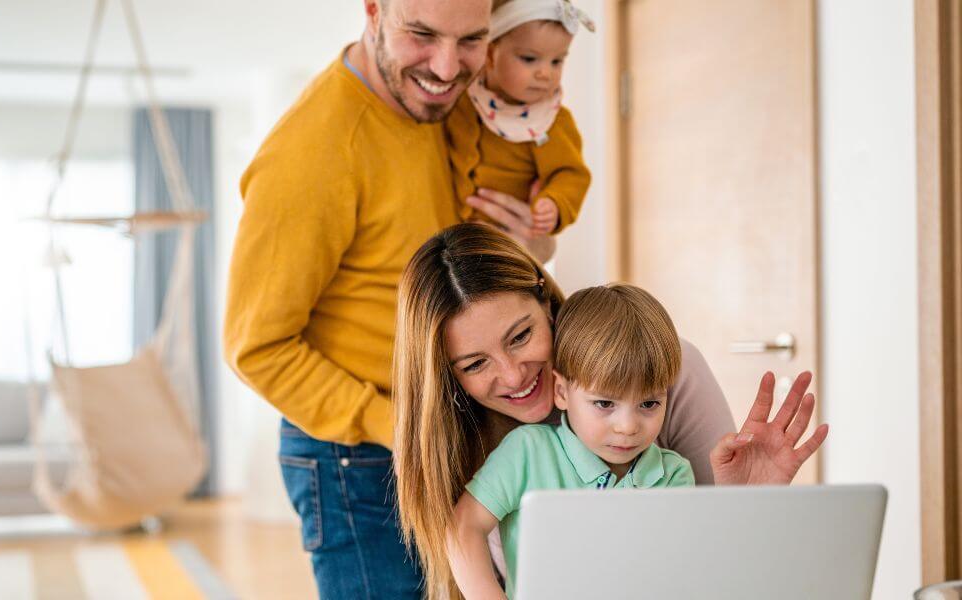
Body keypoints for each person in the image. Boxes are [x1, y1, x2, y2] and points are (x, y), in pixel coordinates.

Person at [223, 0, 557, 596]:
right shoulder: (312, 153)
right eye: (422, 35)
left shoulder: (453, 108)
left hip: (450, 426)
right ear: (374, 12)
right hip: (362, 455)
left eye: (471, 40)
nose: (448, 66)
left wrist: (534, 246)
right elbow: (256, 347)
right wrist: (401, 425)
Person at [392, 223, 829, 599]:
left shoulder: (669, 437)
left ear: (546, 304)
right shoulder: (514, 448)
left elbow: (713, 566)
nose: (511, 376)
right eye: (475, 363)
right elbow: (462, 530)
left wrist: (745, 503)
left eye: (521, 336)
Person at [448, 283, 695, 598]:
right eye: (605, 404)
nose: (628, 426)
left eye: (649, 404)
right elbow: (463, 527)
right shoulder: (527, 451)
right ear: (562, 392)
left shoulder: (673, 475)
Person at [447, 0, 594, 237]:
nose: (545, 73)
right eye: (529, 59)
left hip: (504, 236)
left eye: (557, 61)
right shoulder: (465, 99)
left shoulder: (551, 122)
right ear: (491, 55)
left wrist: (554, 203)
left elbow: (570, 174)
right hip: (452, 233)